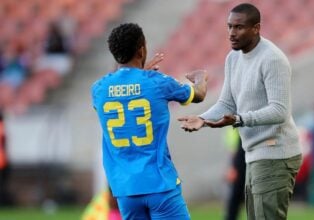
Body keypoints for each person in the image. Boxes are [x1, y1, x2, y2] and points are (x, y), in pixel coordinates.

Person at [178, 3, 302, 220]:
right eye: (229, 27)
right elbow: (227, 103)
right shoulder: (232, 58)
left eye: (239, 27)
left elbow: (279, 110)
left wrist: (239, 119)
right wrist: (202, 119)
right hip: (253, 154)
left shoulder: (272, 59)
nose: (232, 33)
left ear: (256, 28)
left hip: (275, 153)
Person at [91, 23, 208, 220]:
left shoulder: (98, 89)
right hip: (159, 184)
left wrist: (139, 74)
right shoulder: (157, 82)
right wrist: (201, 77)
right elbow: (199, 94)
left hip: (124, 190)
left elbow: (126, 93)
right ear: (142, 49)